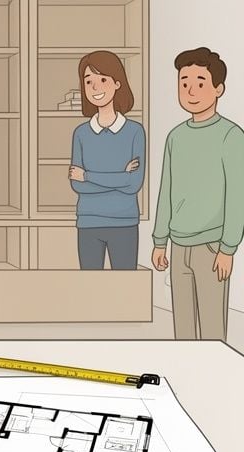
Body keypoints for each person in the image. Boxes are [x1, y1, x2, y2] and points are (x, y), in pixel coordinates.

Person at [152, 47, 244, 341]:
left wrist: (228, 248)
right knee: (184, 329)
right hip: (179, 247)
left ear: (219, 88)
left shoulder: (231, 135)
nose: (191, 90)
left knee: (213, 330)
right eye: (184, 82)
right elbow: (166, 190)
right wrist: (159, 241)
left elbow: (237, 196)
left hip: (212, 247)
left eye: (200, 82)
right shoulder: (175, 137)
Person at [68, 50, 146, 270]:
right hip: (88, 222)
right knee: (91, 290)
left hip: (124, 223)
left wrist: (88, 176)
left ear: (117, 83)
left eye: (102, 79)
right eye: (88, 81)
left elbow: (134, 184)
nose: (95, 87)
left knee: (125, 289)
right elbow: (76, 184)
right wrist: (120, 176)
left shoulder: (134, 132)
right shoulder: (81, 133)